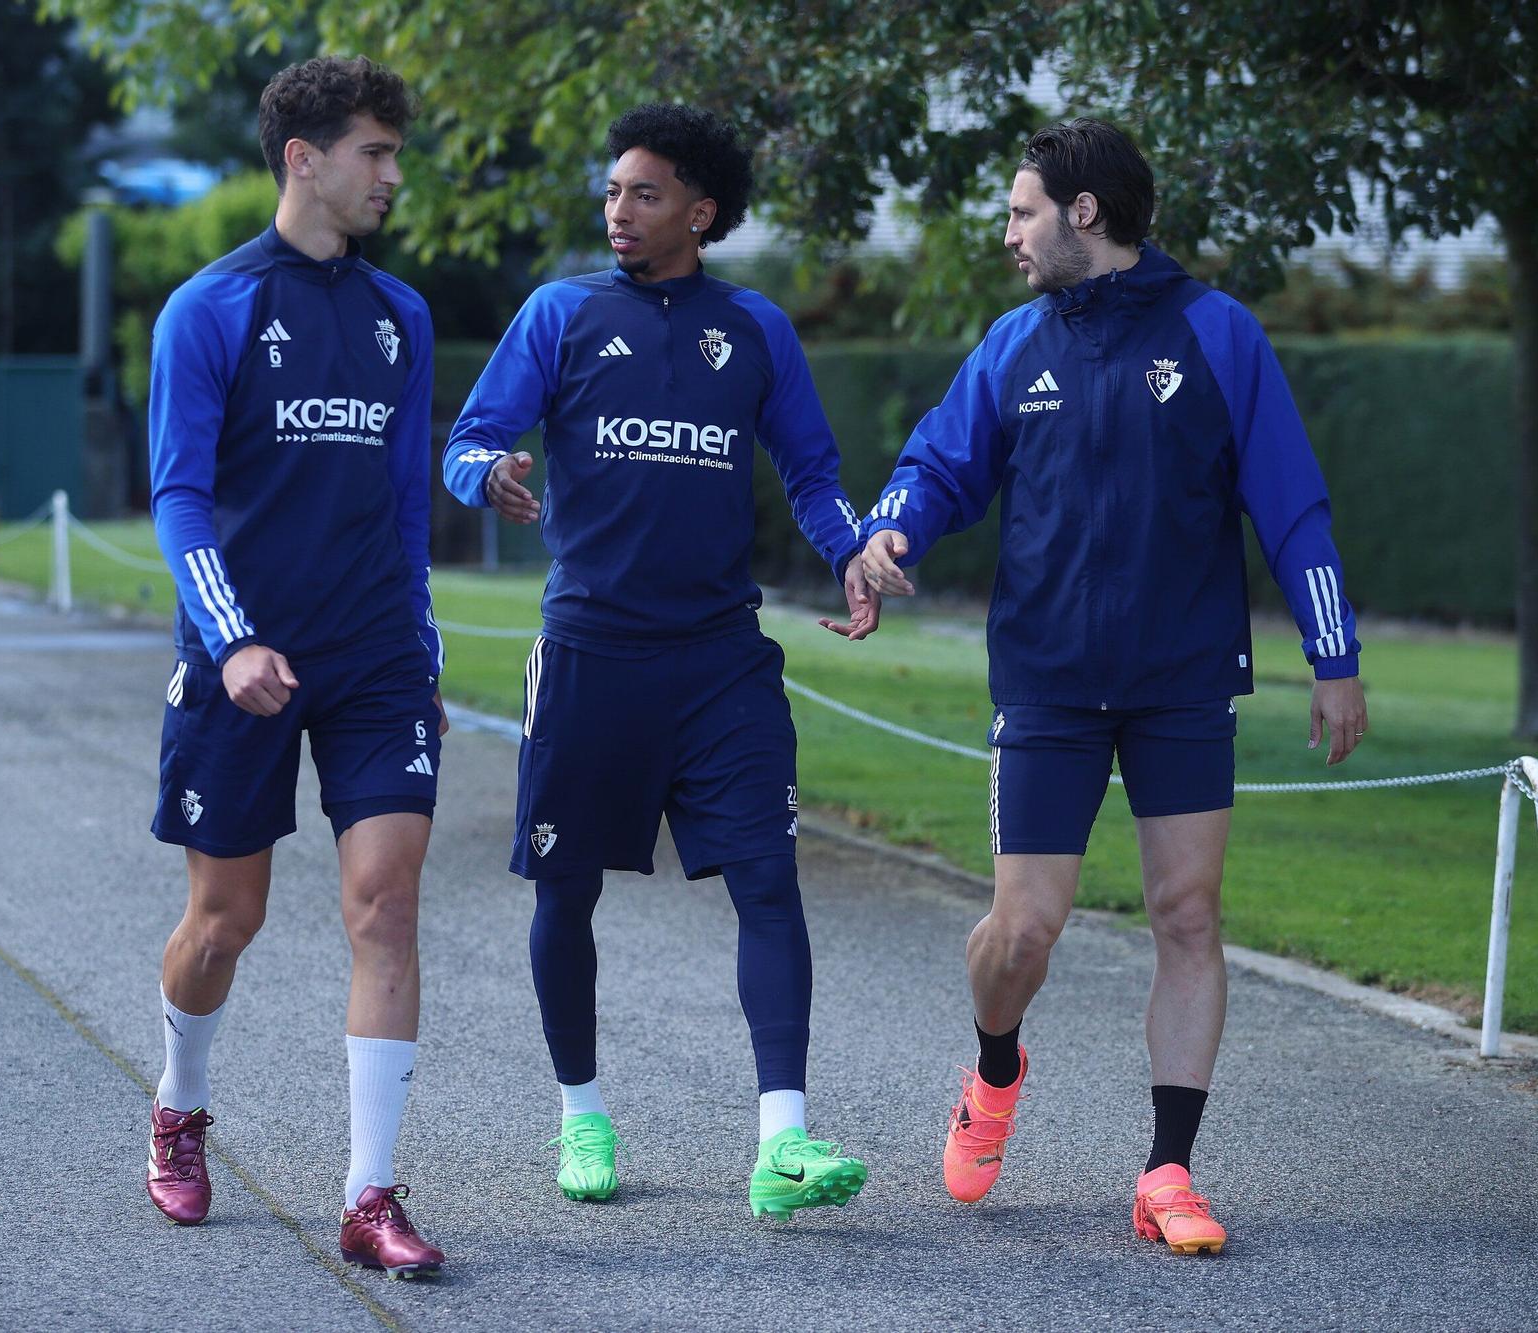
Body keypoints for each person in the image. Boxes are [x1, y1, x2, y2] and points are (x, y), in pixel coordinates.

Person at [853, 118, 1369, 1255]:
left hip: (1182, 680)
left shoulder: (1218, 336)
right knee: (1022, 933)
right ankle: (993, 1068)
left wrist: (1333, 655)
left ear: (1083, 212)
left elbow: (1291, 505)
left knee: (1187, 915)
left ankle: (1166, 1169)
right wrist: (888, 534)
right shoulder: (1011, 345)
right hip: (1043, 680)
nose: (1008, 235)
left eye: (1020, 211)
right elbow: (936, 465)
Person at [442, 103, 878, 1220]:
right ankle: (579, 1113)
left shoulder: (757, 329)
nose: (617, 212)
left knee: (769, 880)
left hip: (720, 660)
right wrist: (486, 470)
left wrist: (849, 555)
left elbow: (814, 472)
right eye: (611, 192)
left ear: (701, 210)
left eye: (642, 193)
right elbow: (465, 441)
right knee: (565, 887)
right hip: (591, 652)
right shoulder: (560, 313)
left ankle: (780, 1143)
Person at [143, 56, 447, 1278]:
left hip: (372, 654)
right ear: (302, 158)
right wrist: (232, 641)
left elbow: (405, 510)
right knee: (226, 920)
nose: (391, 176)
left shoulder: (400, 317)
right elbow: (178, 495)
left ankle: (370, 1196)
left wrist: (419, 653)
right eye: (373, 153)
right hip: (242, 659)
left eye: (394, 154)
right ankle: (178, 1103)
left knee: (385, 904)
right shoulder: (208, 309)